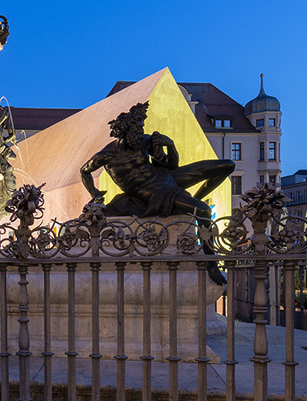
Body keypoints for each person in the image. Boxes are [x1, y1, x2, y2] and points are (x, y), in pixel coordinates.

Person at [80, 102, 234, 282]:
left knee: (227, 165)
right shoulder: (106, 155)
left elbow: (171, 165)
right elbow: (84, 170)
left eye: (141, 128)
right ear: (123, 131)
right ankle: (211, 263)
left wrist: (170, 146)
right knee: (204, 211)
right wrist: (95, 195)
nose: (140, 133)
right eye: (136, 129)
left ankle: (192, 201)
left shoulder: (144, 141)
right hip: (155, 193)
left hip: (168, 177)